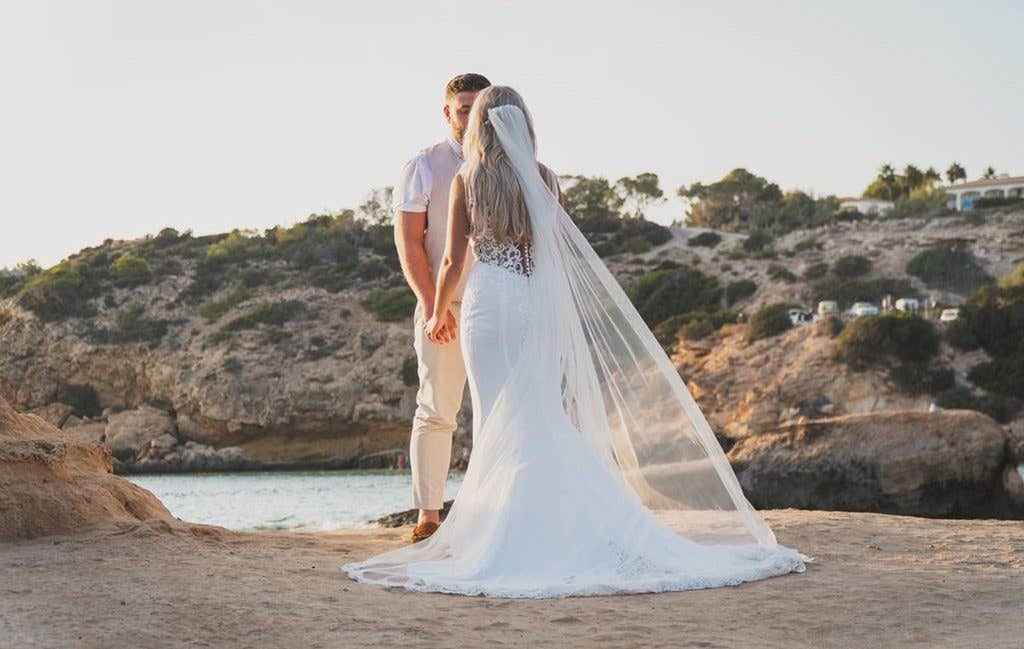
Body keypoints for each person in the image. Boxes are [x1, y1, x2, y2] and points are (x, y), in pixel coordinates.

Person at [343, 85, 809, 598]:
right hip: (528, 301)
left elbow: (453, 261)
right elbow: (552, 254)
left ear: (479, 125)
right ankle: (560, 520)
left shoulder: (466, 180)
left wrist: (435, 311)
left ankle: (505, 528)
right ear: (523, 124)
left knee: (497, 412)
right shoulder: (544, 179)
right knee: (537, 407)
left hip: (487, 306)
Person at [391, 73, 491, 544]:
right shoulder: (424, 166)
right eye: (463, 107)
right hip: (442, 306)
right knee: (436, 410)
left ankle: (497, 511)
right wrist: (434, 307)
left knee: (503, 412)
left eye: (479, 107)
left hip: (500, 306)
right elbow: (410, 244)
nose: (471, 116)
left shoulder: (513, 165)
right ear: (447, 113)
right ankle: (429, 517)